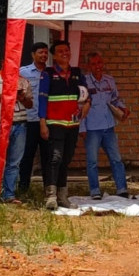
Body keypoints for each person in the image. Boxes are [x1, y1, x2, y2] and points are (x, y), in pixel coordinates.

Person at [39, 40, 90, 210]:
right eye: (60, 51)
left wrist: (87, 105)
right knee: (55, 158)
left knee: (66, 159)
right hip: (54, 123)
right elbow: (42, 99)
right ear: (54, 55)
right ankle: (51, 196)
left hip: (73, 124)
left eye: (67, 50)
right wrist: (42, 123)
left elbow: (86, 94)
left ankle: (62, 196)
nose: (65, 53)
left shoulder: (77, 72)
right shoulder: (47, 73)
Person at [80, 51, 130, 199]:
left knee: (116, 159)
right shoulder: (84, 82)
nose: (98, 66)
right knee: (92, 161)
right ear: (89, 66)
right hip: (91, 128)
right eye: (94, 64)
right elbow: (80, 106)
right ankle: (95, 191)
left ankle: (122, 189)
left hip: (108, 126)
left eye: (99, 63)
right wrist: (82, 128)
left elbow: (115, 99)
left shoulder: (109, 80)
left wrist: (123, 108)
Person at [0, 70, 33, 204]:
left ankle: (9, 195)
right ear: (4, 61)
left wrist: (22, 97)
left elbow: (30, 104)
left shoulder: (23, 80)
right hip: (0, 124)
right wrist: (8, 93)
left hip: (20, 124)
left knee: (14, 162)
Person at [18, 42, 50, 194]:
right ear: (33, 54)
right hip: (29, 121)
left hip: (46, 121)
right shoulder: (23, 72)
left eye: (45, 53)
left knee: (47, 156)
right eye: (40, 53)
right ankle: (24, 187)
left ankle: (48, 188)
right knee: (27, 155)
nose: (43, 55)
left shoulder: (50, 73)